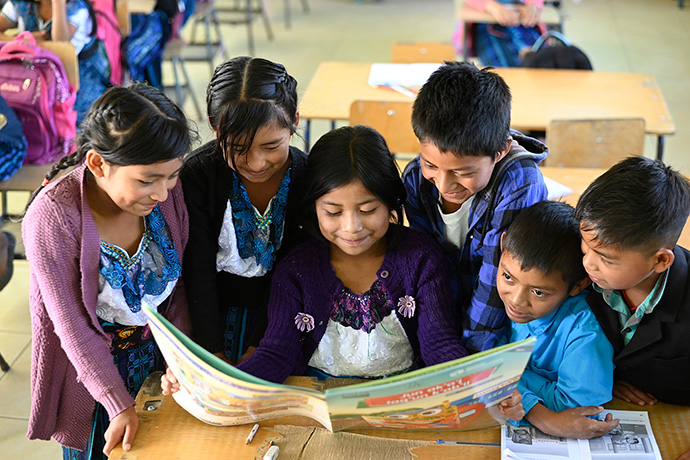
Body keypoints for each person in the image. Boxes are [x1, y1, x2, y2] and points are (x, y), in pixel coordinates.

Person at [164, 125, 468, 390]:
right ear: (314, 208)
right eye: (333, 212)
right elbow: (276, 355)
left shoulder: (422, 259)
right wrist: (205, 382)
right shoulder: (297, 269)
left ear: (391, 202)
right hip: (314, 396)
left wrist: (475, 381)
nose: (351, 227)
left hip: (400, 396)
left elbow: (439, 344)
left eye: (368, 210)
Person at [22, 84, 192, 459]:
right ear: (98, 164)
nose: (163, 193)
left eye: (173, 176)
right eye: (147, 180)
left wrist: (182, 364)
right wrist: (117, 402)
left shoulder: (162, 195)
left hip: (158, 364)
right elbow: (73, 326)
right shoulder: (53, 217)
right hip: (92, 376)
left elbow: (176, 289)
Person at [403, 60, 548, 354]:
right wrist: (439, 336)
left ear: (501, 150)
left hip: (503, 324)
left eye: (464, 172)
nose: (443, 185)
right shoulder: (416, 179)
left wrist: (468, 356)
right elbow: (428, 265)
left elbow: (497, 281)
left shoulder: (519, 184)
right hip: (449, 311)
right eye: (431, 164)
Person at [180, 57, 307, 364]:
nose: (256, 163)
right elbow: (197, 270)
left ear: (295, 122)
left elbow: (294, 272)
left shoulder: (309, 179)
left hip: (283, 312)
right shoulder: (198, 176)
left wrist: (258, 349)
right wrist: (212, 352)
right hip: (208, 311)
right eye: (236, 148)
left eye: (272, 146)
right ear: (214, 129)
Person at [496, 200, 618, 438]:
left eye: (539, 292)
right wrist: (537, 408)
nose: (516, 300)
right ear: (502, 246)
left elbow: (575, 408)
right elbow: (482, 360)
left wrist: (511, 380)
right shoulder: (491, 297)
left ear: (578, 285)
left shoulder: (585, 328)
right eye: (508, 277)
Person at [576, 156, 690, 406]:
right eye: (586, 247)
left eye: (607, 259)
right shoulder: (583, 272)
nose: (588, 263)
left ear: (660, 260)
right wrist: (606, 378)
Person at [0, 0, 111, 125]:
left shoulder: (77, 8)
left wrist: (58, 3)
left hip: (77, 82)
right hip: (34, 76)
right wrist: (22, 39)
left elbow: (60, 41)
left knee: (69, 122)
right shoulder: (21, 3)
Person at [455, 0, 546, 67]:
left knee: (543, 64)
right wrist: (492, 6)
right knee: (503, 70)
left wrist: (533, 4)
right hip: (487, 23)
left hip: (524, 22)